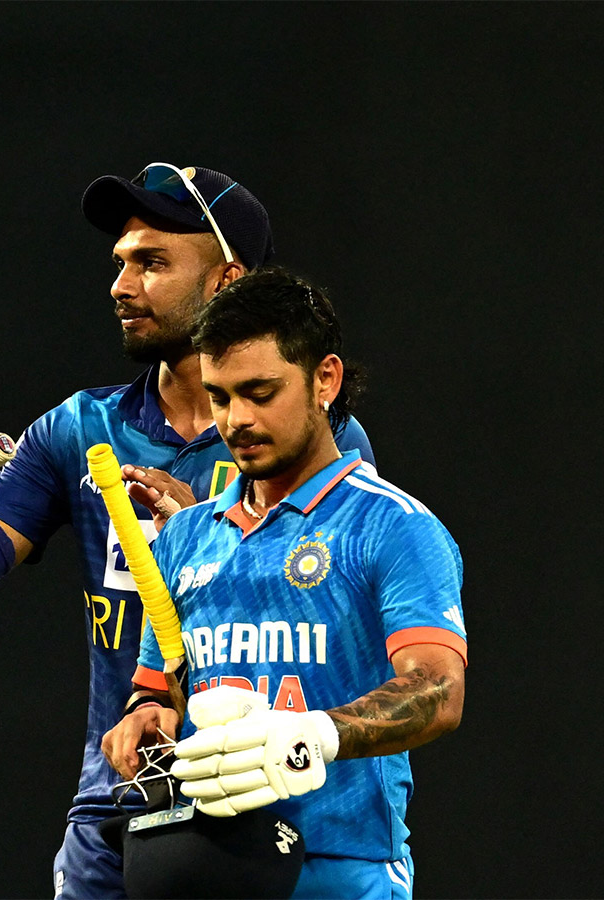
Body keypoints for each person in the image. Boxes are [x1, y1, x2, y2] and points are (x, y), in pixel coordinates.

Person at [0, 163, 376, 898]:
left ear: (226, 281)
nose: (121, 286)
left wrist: (212, 541)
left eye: (152, 263)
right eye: (120, 264)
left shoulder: (315, 437)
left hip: (257, 808)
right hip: (116, 808)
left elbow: (327, 632)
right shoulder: (79, 430)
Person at [101, 268, 466, 898]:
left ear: (325, 378)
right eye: (219, 397)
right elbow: (158, 691)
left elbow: (438, 688)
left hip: (340, 868)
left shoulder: (394, 526)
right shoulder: (184, 538)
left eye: (261, 392)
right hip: (204, 864)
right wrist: (145, 720)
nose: (235, 420)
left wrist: (314, 736)